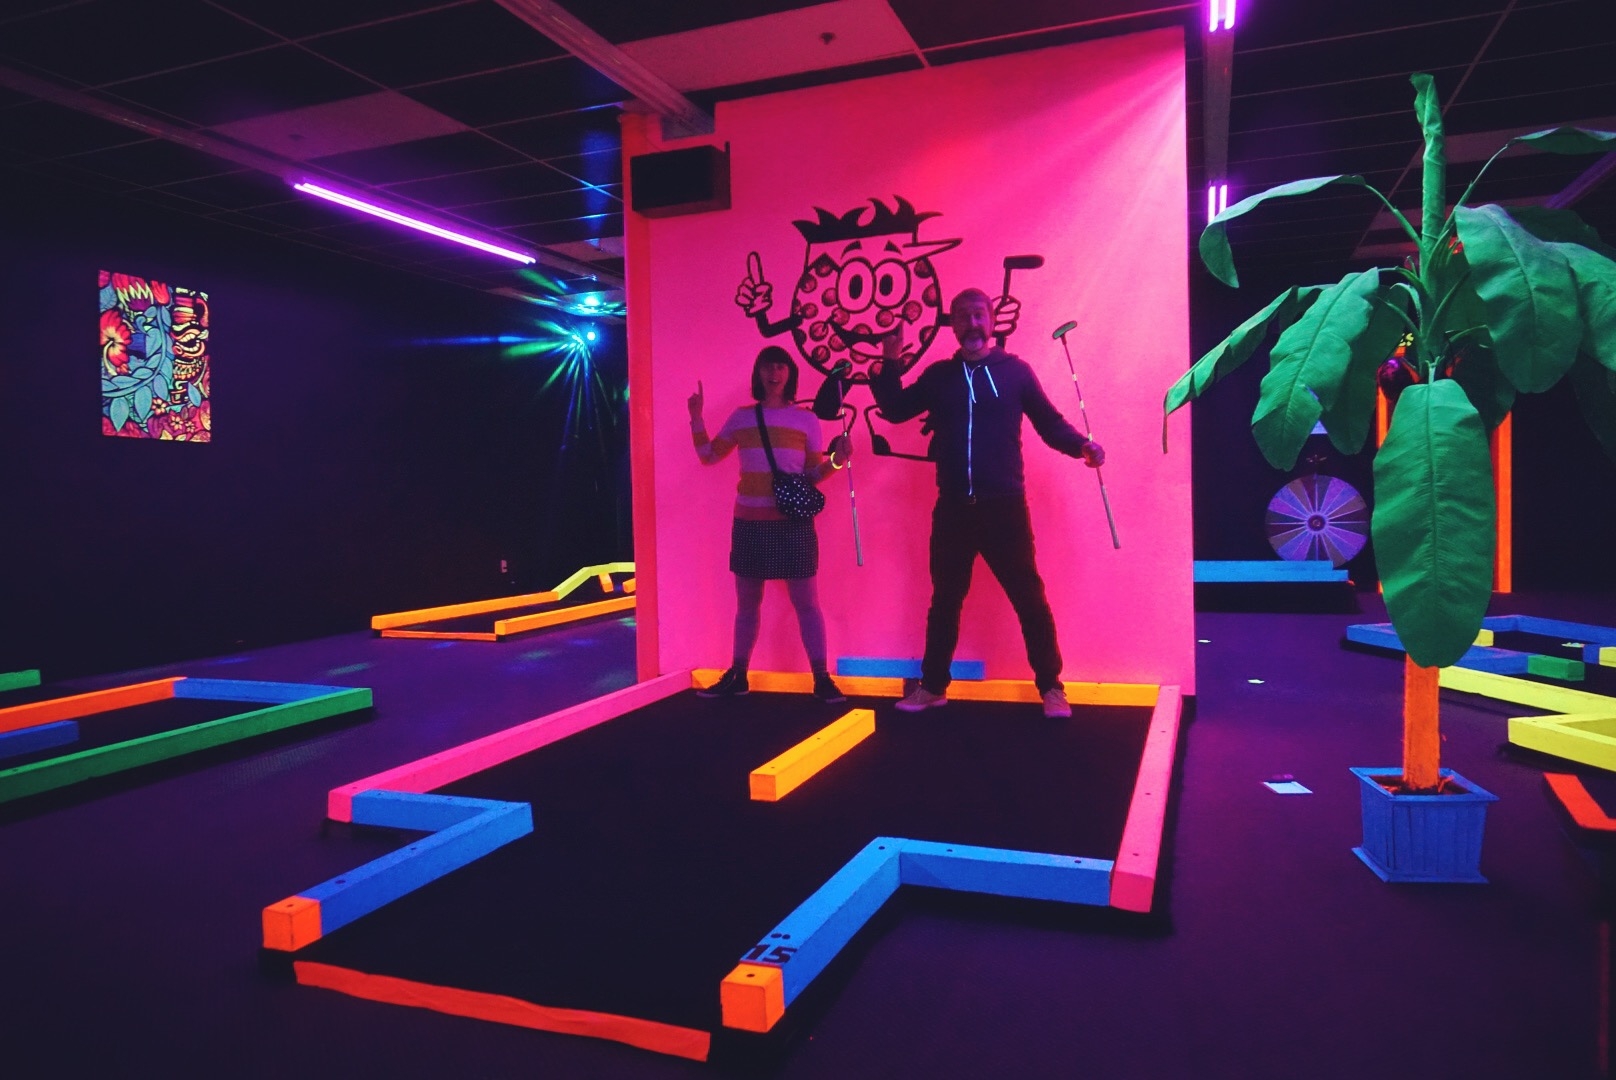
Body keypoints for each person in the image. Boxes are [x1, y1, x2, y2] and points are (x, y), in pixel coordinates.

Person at [870, 288, 1104, 718]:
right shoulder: (940, 376)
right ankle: (932, 687)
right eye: (963, 316)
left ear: (991, 321)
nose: (972, 323)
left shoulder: (1016, 373)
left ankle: (1051, 688)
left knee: (1029, 598)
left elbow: (1049, 423)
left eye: (979, 314)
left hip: (1004, 507)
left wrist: (1081, 446)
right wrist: (890, 361)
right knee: (945, 600)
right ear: (954, 324)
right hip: (954, 509)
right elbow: (896, 408)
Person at [689, 345, 851, 703]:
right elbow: (708, 456)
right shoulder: (742, 418)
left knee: (807, 603)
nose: (774, 373)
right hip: (749, 522)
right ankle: (738, 675)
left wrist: (837, 461)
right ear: (758, 373)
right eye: (767, 366)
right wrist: (696, 418)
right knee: (747, 605)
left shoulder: (806, 420)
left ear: (790, 373)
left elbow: (811, 475)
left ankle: (821, 678)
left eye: (780, 367)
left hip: (793, 522)